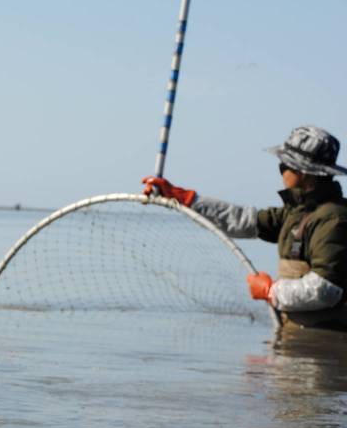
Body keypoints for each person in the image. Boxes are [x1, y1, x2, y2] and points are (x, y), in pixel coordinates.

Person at [143, 126, 347, 331]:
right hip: (300, 337)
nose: (281, 171)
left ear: (304, 173)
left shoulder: (332, 219)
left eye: (284, 166)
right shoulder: (297, 213)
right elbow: (244, 221)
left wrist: (271, 290)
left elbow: (327, 289)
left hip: (326, 342)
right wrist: (186, 199)